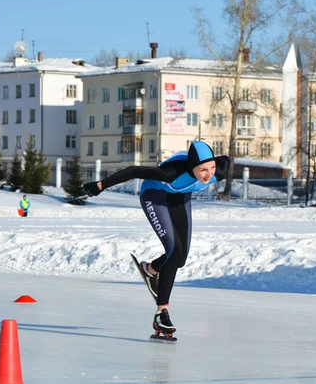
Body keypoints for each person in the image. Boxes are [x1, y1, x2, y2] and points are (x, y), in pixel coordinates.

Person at [83, 141, 229, 333]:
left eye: (211, 168)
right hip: (155, 195)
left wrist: (212, 168)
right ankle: (161, 314)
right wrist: (101, 185)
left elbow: (221, 163)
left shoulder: (220, 169)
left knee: (180, 259)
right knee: (174, 253)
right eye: (202, 170)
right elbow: (133, 171)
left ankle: (151, 270)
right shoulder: (170, 172)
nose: (208, 174)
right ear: (192, 167)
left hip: (179, 198)